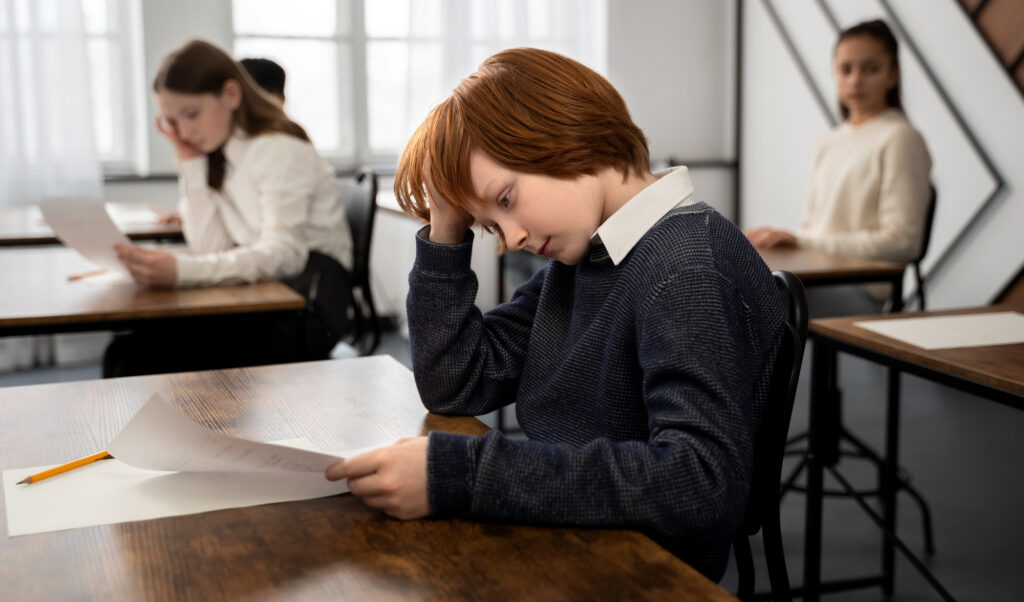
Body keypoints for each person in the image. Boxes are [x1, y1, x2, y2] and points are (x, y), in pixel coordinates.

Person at [323, 48, 785, 582]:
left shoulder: (682, 265)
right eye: (490, 225)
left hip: (634, 571)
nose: (512, 236)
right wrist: (448, 226)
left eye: (507, 198)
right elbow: (456, 381)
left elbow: (702, 484)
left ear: (566, 134)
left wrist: (462, 475)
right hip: (572, 537)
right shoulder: (592, 256)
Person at [103, 39, 353, 377]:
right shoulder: (219, 152)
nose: (185, 131)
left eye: (191, 115)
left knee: (138, 359)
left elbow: (286, 254)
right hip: (264, 294)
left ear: (231, 95)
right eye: (173, 122)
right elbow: (211, 247)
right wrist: (188, 159)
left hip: (307, 307)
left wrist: (181, 271)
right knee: (127, 349)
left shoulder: (279, 150)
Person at [745, 19, 932, 315]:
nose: (856, 80)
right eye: (846, 69)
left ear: (893, 75)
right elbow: (815, 231)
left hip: (860, 289)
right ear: (835, 74)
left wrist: (801, 241)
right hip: (817, 276)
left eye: (871, 69)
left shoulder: (901, 138)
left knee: (757, 296)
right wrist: (790, 244)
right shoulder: (829, 142)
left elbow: (902, 242)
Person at [157, 56, 288, 228]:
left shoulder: (282, 148)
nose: (186, 131)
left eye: (192, 114)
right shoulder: (225, 148)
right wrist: (186, 213)